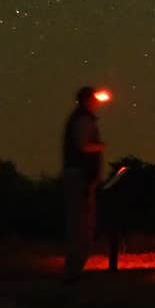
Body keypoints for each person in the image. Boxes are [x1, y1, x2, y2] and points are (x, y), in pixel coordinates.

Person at [61, 85, 109, 279]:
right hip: (80, 178)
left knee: (79, 225)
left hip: (79, 177)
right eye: (94, 99)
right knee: (81, 226)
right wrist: (100, 146)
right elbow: (83, 145)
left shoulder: (80, 118)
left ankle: (73, 272)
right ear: (87, 100)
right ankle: (73, 273)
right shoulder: (83, 119)